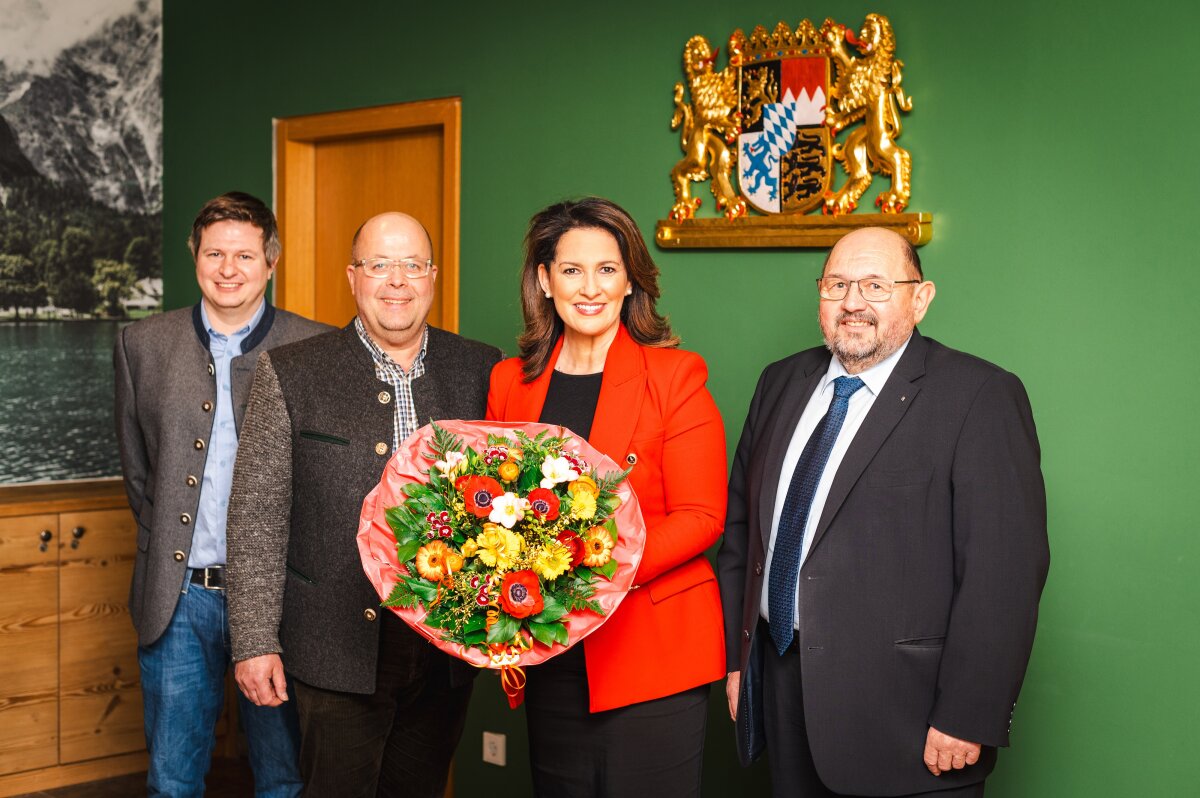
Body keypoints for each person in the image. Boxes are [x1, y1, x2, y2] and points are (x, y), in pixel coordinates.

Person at [717, 227, 1050, 797]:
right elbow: (744, 533)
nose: (852, 302)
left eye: (875, 284)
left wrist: (968, 713)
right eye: (837, 284)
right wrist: (739, 657)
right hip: (781, 687)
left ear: (919, 299)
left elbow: (1004, 574)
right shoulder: (780, 381)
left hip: (909, 718)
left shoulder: (980, 395)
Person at [224, 211, 503, 797]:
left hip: (445, 644)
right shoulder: (293, 371)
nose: (395, 281)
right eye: (379, 265)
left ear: (432, 277)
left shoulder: (482, 367)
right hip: (334, 643)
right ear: (353, 277)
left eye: (410, 265)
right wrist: (253, 641)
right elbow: (256, 515)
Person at [487, 197, 727, 797]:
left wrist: (594, 574)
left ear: (630, 283)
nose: (588, 288)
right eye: (571, 270)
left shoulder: (675, 376)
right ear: (544, 281)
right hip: (552, 657)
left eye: (606, 270)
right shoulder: (509, 383)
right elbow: (488, 508)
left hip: (651, 657)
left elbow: (702, 516)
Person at [114, 191, 328, 797]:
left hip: (285, 599)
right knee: (173, 779)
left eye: (244, 255)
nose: (228, 269)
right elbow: (140, 478)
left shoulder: (314, 346)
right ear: (195, 255)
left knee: (284, 776)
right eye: (214, 253)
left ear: (271, 261)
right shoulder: (141, 345)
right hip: (179, 598)